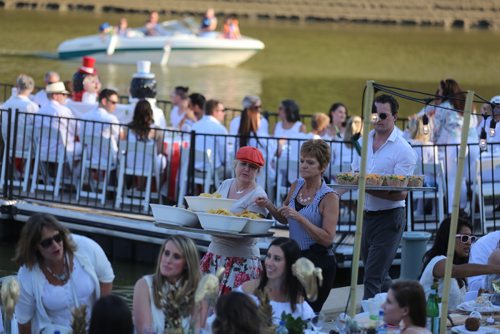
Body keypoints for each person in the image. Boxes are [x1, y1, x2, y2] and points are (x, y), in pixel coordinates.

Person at [257, 139, 339, 312]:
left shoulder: (329, 197)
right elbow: (285, 218)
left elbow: (327, 238)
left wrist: (301, 218)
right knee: (287, 310)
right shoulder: (296, 185)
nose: (304, 165)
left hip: (317, 263)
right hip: (295, 259)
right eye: (302, 161)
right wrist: (269, 205)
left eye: (310, 162)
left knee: (307, 314)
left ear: (322, 167)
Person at [350, 94, 417, 299]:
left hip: (390, 217)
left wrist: (363, 185)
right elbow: (353, 174)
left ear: (395, 117)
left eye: (383, 115)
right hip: (366, 215)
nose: (377, 119)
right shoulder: (364, 140)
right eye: (374, 114)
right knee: (381, 274)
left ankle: (364, 325)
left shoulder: (404, 150)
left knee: (371, 276)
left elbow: (400, 193)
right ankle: (405, 302)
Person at [14, 213, 114, 334]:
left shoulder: (86, 247)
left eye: (57, 238)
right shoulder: (26, 274)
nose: (55, 245)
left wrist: (102, 319)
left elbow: (107, 277)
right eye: (46, 243)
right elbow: (24, 321)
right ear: (35, 247)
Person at [200, 146, 269, 294]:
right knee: (204, 309)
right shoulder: (226, 184)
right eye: (243, 164)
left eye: (252, 167)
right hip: (214, 255)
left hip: (241, 261)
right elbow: (211, 209)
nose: (246, 169)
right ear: (235, 164)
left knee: (233, 311)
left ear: (257, 172)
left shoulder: (259, 196)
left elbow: (250, 231)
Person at [420, 217, 500, 310]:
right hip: (432, 322)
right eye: (464, 238)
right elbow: (454, 270)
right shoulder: (438, 262)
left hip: (451, 322)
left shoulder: (460, 276)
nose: (469, 242)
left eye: (471, 238)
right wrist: (495, 269)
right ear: (448, 238)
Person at [133, 235, 200, 334]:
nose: (168, 260)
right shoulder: (144, 285)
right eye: (166, 253)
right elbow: (143, 331)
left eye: (176, 257)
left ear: (187, 264)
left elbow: (197, 331)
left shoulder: (197, 290)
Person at [239, 237, 315, 324]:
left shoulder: (300, 307)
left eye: (277, 259)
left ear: (290, 264)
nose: (269, 263)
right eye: (268, 256)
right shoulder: (246, 291)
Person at [119, 99, 165, 192]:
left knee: (136, 157)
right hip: (149, 165)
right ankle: (158, 191)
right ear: (150, 113)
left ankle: (136, 187)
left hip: (129, 163)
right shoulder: (157, 130)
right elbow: (159, 150)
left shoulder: (127, 128)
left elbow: (122, 146)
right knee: (162, 160)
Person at [37, 81, 82, 166]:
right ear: (55, 96)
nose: (66, 97)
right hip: (61, 150)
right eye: (64, 94)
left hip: (41, 150)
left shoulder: (40, 111)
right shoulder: (63, 111)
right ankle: (76, 177)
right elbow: (78, 129)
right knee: (86, 147)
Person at [1, 74, 39, 154]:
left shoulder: (7, 104)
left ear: (17, 86)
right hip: (28, 145)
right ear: (31, 89)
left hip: (9, 143)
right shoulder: (32, 106)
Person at [191, 99, 228, 178]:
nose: (224, 113)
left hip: (194, 169)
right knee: (236, 173)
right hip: (212, 172)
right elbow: (224, 156)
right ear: (215, 112)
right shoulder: (220, 129)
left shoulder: (195, 125)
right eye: (222, 110)